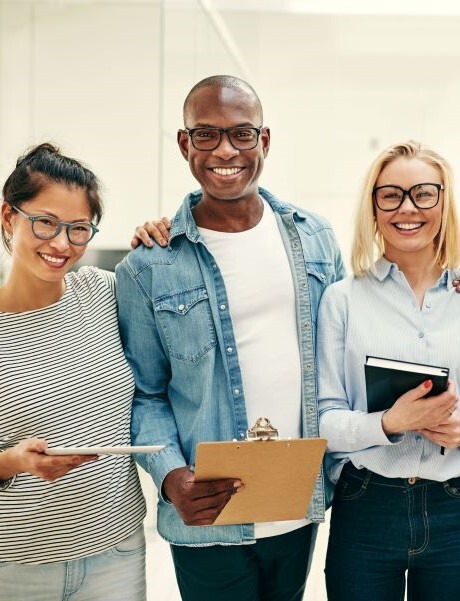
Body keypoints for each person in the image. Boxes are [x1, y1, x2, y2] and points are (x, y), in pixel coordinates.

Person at [116, 74, 345, 601]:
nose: (225, 150)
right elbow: (145, 395)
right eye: (206, 135)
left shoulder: (315, 237)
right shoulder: (148, 267)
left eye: (242, 134)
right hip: (208, 515)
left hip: (297, 503)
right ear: (184, 143)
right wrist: (172, 477)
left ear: (264, 141)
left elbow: (344, 348)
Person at [0, 142, 157, 601]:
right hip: (16, 565)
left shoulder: (104, 292)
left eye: (78, 229)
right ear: (8, 217)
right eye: (45, 222)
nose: (61, 243)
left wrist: (163, 236)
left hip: (118, 553)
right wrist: (15, 461)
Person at [317, 140, 460, 600]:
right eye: (391, 195)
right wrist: (390, 423)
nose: (407, 208)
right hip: (367, 504)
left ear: (443, 200)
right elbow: (323, 421)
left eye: (423, 193)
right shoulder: (343, 300)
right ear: (374, 205)